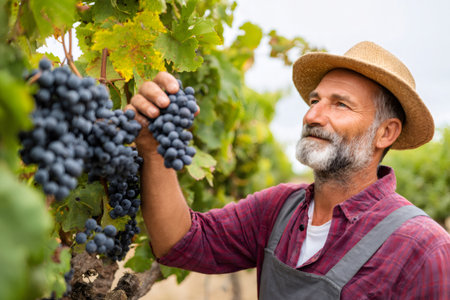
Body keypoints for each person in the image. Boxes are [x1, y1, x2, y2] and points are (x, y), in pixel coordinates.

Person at [126, 41, 450, 299]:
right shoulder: (277, 209)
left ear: (386, 133)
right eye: (314, 101)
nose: (313, 116)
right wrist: (153, 151)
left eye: (340, 104)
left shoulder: (425, 250)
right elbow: (181, 243)